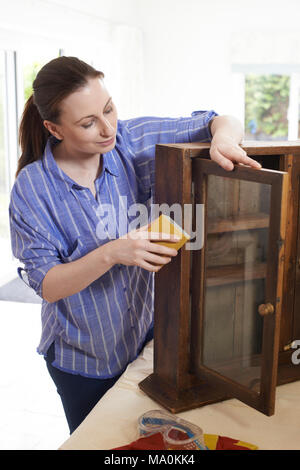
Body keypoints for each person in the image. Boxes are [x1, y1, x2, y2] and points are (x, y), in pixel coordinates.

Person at [9, 56, 261, 434]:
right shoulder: (32, 189)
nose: (107, 127)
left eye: (108, 108)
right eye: (88, 122)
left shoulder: (129, 139)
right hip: (82, 361)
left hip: (143, 344)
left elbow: (220, 120)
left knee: (143, 440)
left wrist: (222, 140)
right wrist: (113, 251)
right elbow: (48, 284)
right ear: (53, 128)